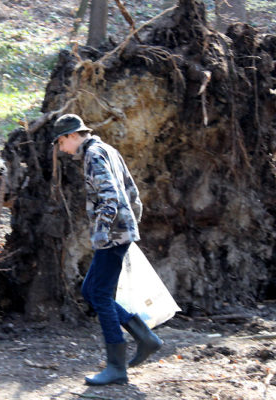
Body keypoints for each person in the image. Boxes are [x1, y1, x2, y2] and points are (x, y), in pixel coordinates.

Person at [52, 114, 163, 386]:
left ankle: (116, 366)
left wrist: (104, 232)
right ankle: (144, 337)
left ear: (71, 136)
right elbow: (131, 192)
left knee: (98, 293)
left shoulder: (93, 154)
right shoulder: (108, 150)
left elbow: (111, 196)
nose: (60, 148)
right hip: (121, 231)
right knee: (90, 290)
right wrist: (130, 224)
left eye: (60, 142)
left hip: (112, 234)